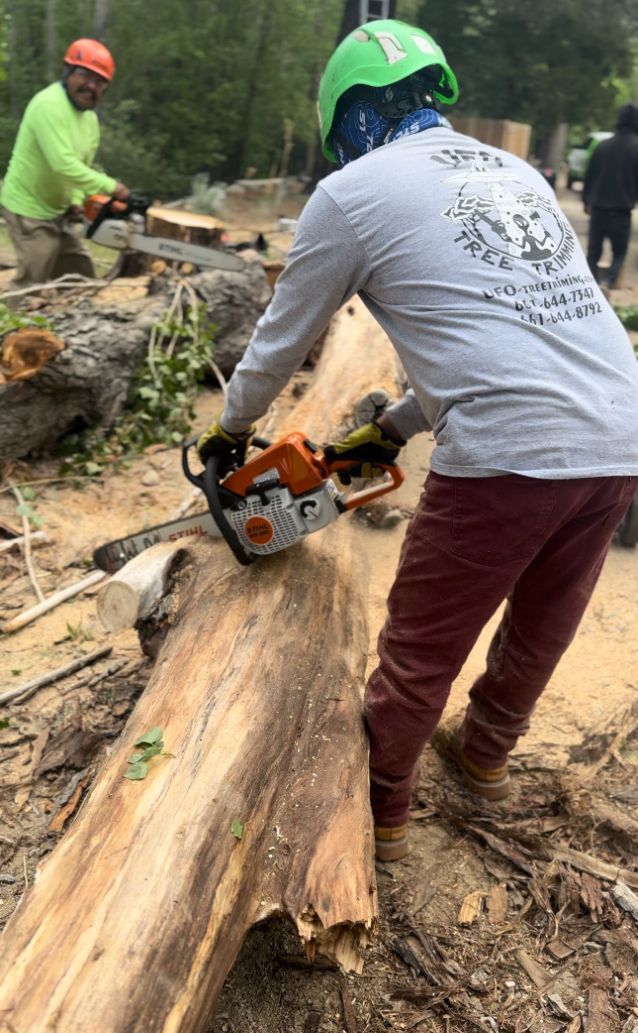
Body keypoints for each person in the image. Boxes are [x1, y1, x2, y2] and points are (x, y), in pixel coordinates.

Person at [196, 20, 638, 861]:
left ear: (353, 118)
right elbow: (516, 334)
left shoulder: (353, 194)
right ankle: (485, 755)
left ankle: (382, 808)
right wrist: (393, 427)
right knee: (547, 615)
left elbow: (282, 337)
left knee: (422, 638)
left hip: (509, 451)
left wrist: (230, 430)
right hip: (621, 432)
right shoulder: (519, 174)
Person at [0, 38, 129, 288]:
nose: (90, 86)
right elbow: (62, 164)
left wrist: (77, 201)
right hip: (28, 207)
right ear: (68, 72)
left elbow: (81, 167)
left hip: (57, 209)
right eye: (84, 75)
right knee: (33, 279)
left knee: (80, 276)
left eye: (99, 81)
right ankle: (12, 323)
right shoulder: (48, 105)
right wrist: (111, 187)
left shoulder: (89, 121)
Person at [583, 103, 638, 292]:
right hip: (622, 211)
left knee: (592, 254)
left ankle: (592, 286)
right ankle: (607, 283)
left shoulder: (602, 146)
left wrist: (586, 201)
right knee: (620, 254)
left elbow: (589, 176)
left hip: (598, 208)